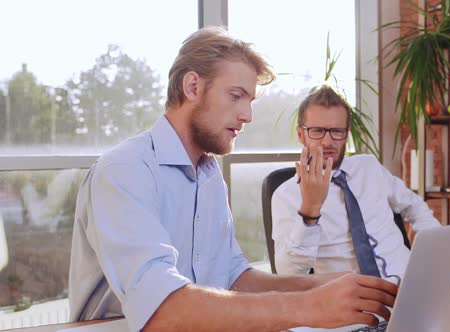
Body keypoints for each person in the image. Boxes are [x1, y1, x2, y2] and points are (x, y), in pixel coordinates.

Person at [68, 27, 397, 332]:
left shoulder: (209, 176)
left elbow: (235, 277)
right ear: (193, 86)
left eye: (250, 101)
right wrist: (309, 305)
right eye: (236, 96)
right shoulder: (125, 170)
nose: (247, 115)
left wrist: (331, 285)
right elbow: (161, 309)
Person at [272, 85, 441, 281]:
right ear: (301, 135)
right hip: (353, 301)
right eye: (317, 131)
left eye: (337, 131)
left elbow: (414, 205)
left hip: (409, 283)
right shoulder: (286, 195)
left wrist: (432, 252)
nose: (327, 142)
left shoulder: (369, 167)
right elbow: (287, 273)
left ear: (346, 134)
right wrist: (310, 211)